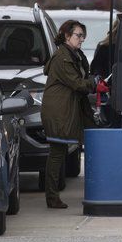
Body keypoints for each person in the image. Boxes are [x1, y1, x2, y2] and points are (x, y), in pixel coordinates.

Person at [41, 20, 97, 209]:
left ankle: (53, 195)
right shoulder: (62, 57)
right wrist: (94, 84)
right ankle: (52, 197)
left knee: (61, 151)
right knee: (57, 152)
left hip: (68, 108)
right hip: (59, 111)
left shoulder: (75, 54)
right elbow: (77, 83)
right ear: (67, 36)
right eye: (78, 35)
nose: (81, 39)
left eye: (83, 35)